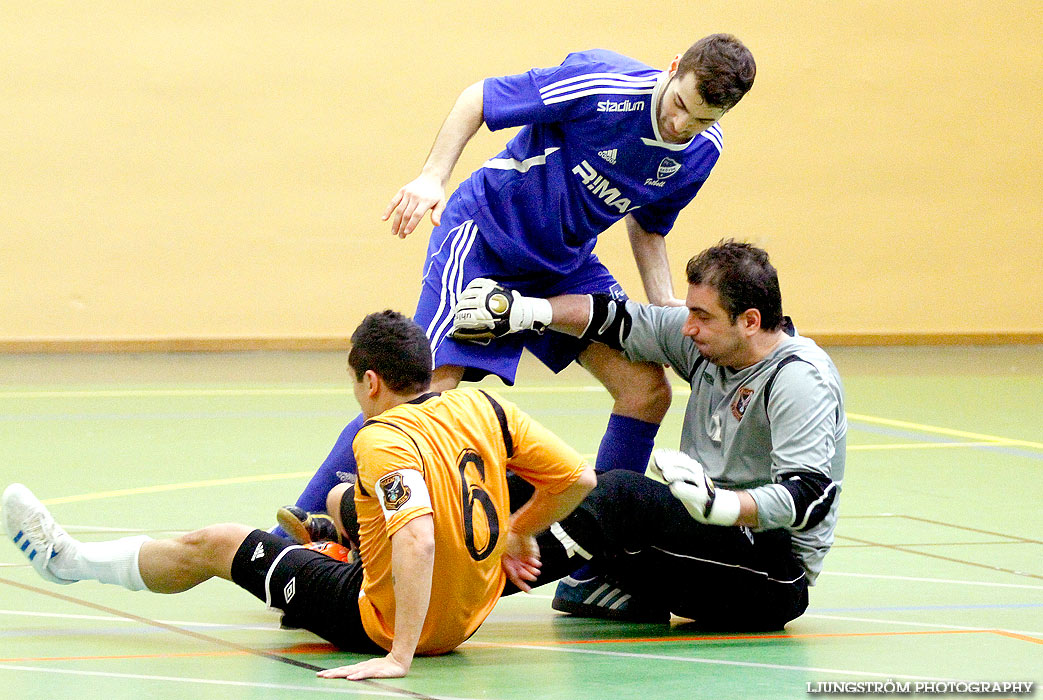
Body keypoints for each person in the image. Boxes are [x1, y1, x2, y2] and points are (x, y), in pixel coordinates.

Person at [285, 33, 757, 527]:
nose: (681, 125)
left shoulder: (702, 151)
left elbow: (650, 222)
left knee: (647, 389)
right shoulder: (601, 84)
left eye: (702, 118)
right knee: (422, 394)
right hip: (486, 238)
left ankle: (600, 548)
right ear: (673, 66)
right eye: (680, 104)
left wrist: (661, 299)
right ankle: (305, 526)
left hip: (562, 264)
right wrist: (432, 177)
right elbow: (477, 99)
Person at [3, 310, 596, 680]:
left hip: (390, 624)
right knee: (346, 502)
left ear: (370, 382)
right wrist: (519, 529)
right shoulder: (481, 404)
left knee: (218, 544)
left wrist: (400, 656)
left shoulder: (382, 437)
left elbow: (416, 537)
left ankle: (67, 562)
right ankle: (338, 540)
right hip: (471, 613)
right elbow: (579, 480)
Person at [451, 240, 846, 628]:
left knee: (622, 495)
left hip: (772, 577)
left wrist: (720, 505)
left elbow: (811, 496)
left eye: (702, 316)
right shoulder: (714, 345)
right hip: (706, 543)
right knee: (564, 481)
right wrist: (526, 311)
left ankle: (450, 596)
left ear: (750, 321)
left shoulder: (797, 377)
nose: (688, 327)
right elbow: (620, 319)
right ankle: (420, 554)